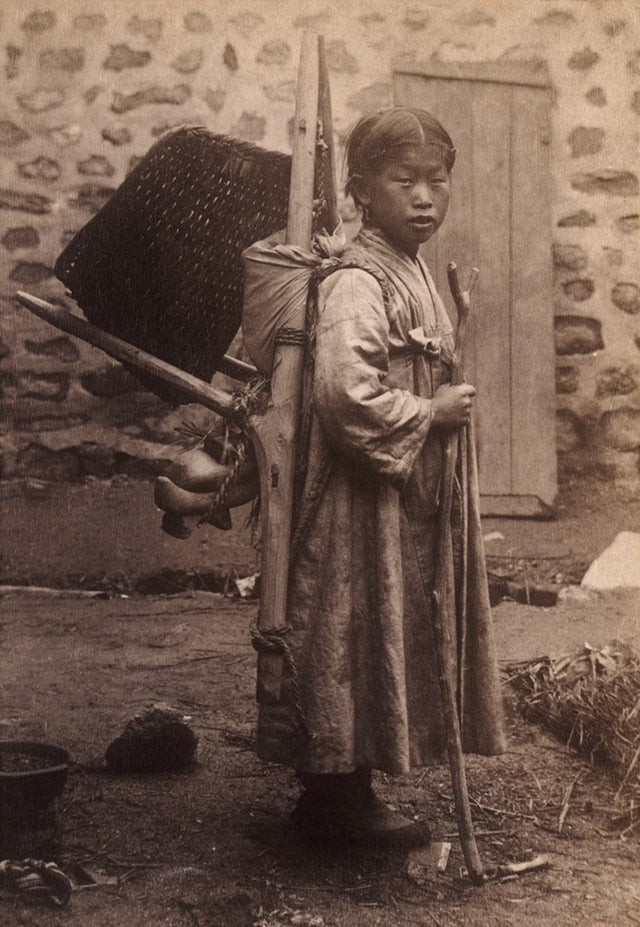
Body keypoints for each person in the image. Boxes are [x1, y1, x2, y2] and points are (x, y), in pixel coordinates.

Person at [255, 107, 506, 847]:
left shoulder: (414, 266)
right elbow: (343, 393)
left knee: (381, 626)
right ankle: (330, 797)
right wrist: (429, 409)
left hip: (402, 490)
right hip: (356, 496)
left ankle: (347, 786)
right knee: (347, 625)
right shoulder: (357, 282)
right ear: (364, 190)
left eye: (438, 181)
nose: (425, 197)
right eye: (405, 182)